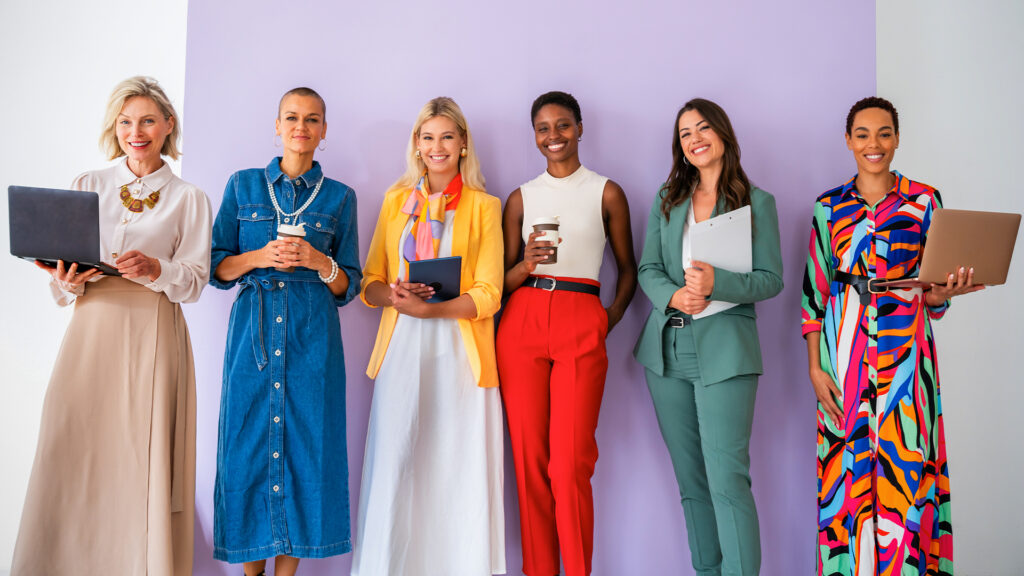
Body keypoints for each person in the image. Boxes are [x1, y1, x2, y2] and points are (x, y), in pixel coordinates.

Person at [11, 76, 211, 575]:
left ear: (168, 125)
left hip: (152, 332)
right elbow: (62, 287)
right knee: (71, 442)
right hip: (90, 329)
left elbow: (195, 282)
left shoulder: (189, 198)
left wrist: (156, 269)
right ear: (114, 127)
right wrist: (67, 280)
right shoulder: (88, 184)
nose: (135, 132)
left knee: (139, 458)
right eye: (125, 122)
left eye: (146, 120)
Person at [802, 97, 981, 576]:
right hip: (845, 360)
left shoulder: (925, 201)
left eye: (883, 133)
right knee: (848, 475)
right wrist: (815, 368)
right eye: (862, 134)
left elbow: (932, 296)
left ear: (897, 138)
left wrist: (944, 293)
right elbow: (814, 297)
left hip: (907, 360)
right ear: (848, 141)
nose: (873, 144)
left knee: (908, 472)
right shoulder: (828, 207)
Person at [209, 87, 361, 576]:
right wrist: (260, 257)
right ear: (277, 125)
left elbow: (349, 286)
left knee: (305, 450)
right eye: (292, 118)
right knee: (247, 449)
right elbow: (216, 267)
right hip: (251, 340)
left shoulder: (340, 198)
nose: (302, 127)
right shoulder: (243, 185)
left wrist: (319, 261)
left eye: (312, 119)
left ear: (323, 130)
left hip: (312, 338)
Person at [352, 96, 505, 576]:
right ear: (417, 146)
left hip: (459, 353)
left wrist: (430, 307)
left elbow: (489, 293)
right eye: (428, 137)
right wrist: (396, 297)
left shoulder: (484, 207)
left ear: (463, 145)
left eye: (447, 137)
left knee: (456, 469)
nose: (437, 146)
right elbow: (369, 283)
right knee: (398, 461)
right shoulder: (397, 202)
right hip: (401, 349)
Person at [633, 98, 783, 576]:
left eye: (702, 129)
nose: (694, 139)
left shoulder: (756, 202)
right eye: (684, 134)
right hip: (668, 351)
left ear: (722, 134)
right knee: (691, 483)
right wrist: (675, 297)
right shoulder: (667, 199)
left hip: (726, 354)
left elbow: (770, 279)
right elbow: (648, 269)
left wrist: (718, 283)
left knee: (727, 481)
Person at [497, 90, 636, 576]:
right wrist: (524, 265)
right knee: (530, 464)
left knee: (570, 464)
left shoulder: (607, 192)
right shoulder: (520, 197)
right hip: (523, 318)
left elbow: (627, 270)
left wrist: (605, 320)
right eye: (543, 128)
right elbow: (498, 280)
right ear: (533, 136)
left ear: (580, 128)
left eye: (562, 125)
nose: (553, 136)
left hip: (581, 314)